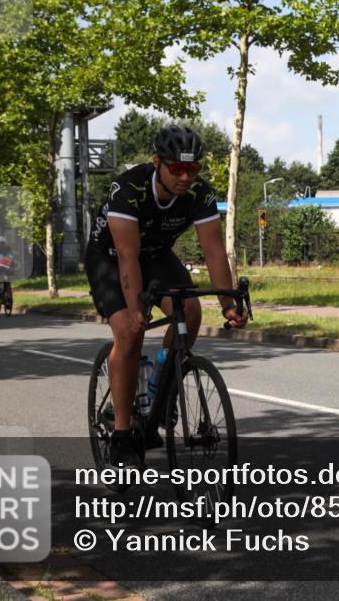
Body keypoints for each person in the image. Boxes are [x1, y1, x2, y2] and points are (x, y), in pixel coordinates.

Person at [84, 125, 248, 469]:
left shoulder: (199, 195)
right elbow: (128, 256)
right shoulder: (130, 189)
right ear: (158, 162)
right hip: (112, 258)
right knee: (130, 331)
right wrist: (135, 310)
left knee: (190, 311)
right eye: (177, 168)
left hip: (156, 254)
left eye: (193, 169)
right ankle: (123, 434)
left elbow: (215, 252)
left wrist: (229, 305)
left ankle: (162, 386)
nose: (185, 176)